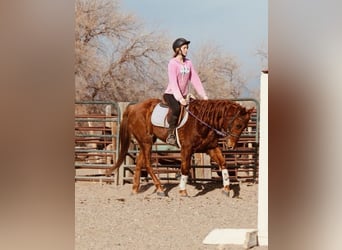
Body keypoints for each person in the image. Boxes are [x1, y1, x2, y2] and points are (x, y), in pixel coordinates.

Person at [163, 38, 208, 145]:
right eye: (184, 48)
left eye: (187, 48)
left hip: (184, 95)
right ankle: (171, 134)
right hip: (171, 94)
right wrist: (180, 98)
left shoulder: (189, 63)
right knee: (176, 109)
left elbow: (195, 79)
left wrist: (204, 95)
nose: (186, 50)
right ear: (178, 50)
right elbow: (173, 82)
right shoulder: (172, 63)